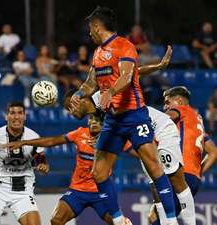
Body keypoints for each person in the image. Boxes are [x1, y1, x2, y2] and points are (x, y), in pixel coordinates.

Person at [70, 6, 178, 225]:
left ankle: (172, 221)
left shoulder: (124, 45)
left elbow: (127, 76)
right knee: (99, 172)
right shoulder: (98, 53)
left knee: (154, 167)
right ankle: (119, 221)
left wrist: (110, 92)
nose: (89, 32)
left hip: (135, 115)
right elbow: (91, 82)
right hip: (113, 120)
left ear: (97, 26)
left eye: (90, 27)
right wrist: (79, 94)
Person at [3, 115, 121, 225]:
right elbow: (52, 141)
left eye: (98, 119)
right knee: (56, 220)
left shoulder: (112, 138)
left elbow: (134, 148)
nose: (94, 122)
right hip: (77, 191)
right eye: (91, 118)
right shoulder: (80, 133)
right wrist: (24, 142)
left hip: (101, 191)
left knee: (118, 222)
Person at [0, 102, 49, 225]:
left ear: (25, 116)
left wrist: (43, 166)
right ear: (6, 116)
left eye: (20, 113)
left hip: (24, 191)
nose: (16, 117)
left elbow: (41, 159)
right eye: (12, 113)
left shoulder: (34, 137)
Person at [162, 86, 217, 223]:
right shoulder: (195, 121)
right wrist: (199, 171)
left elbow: (162, 120)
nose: (165, 106)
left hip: (180, 174)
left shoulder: (182, 110)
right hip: (192, 177)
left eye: (168, 102)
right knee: (160, 217)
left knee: (160, 218)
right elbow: (214, 152)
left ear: (179, 101)